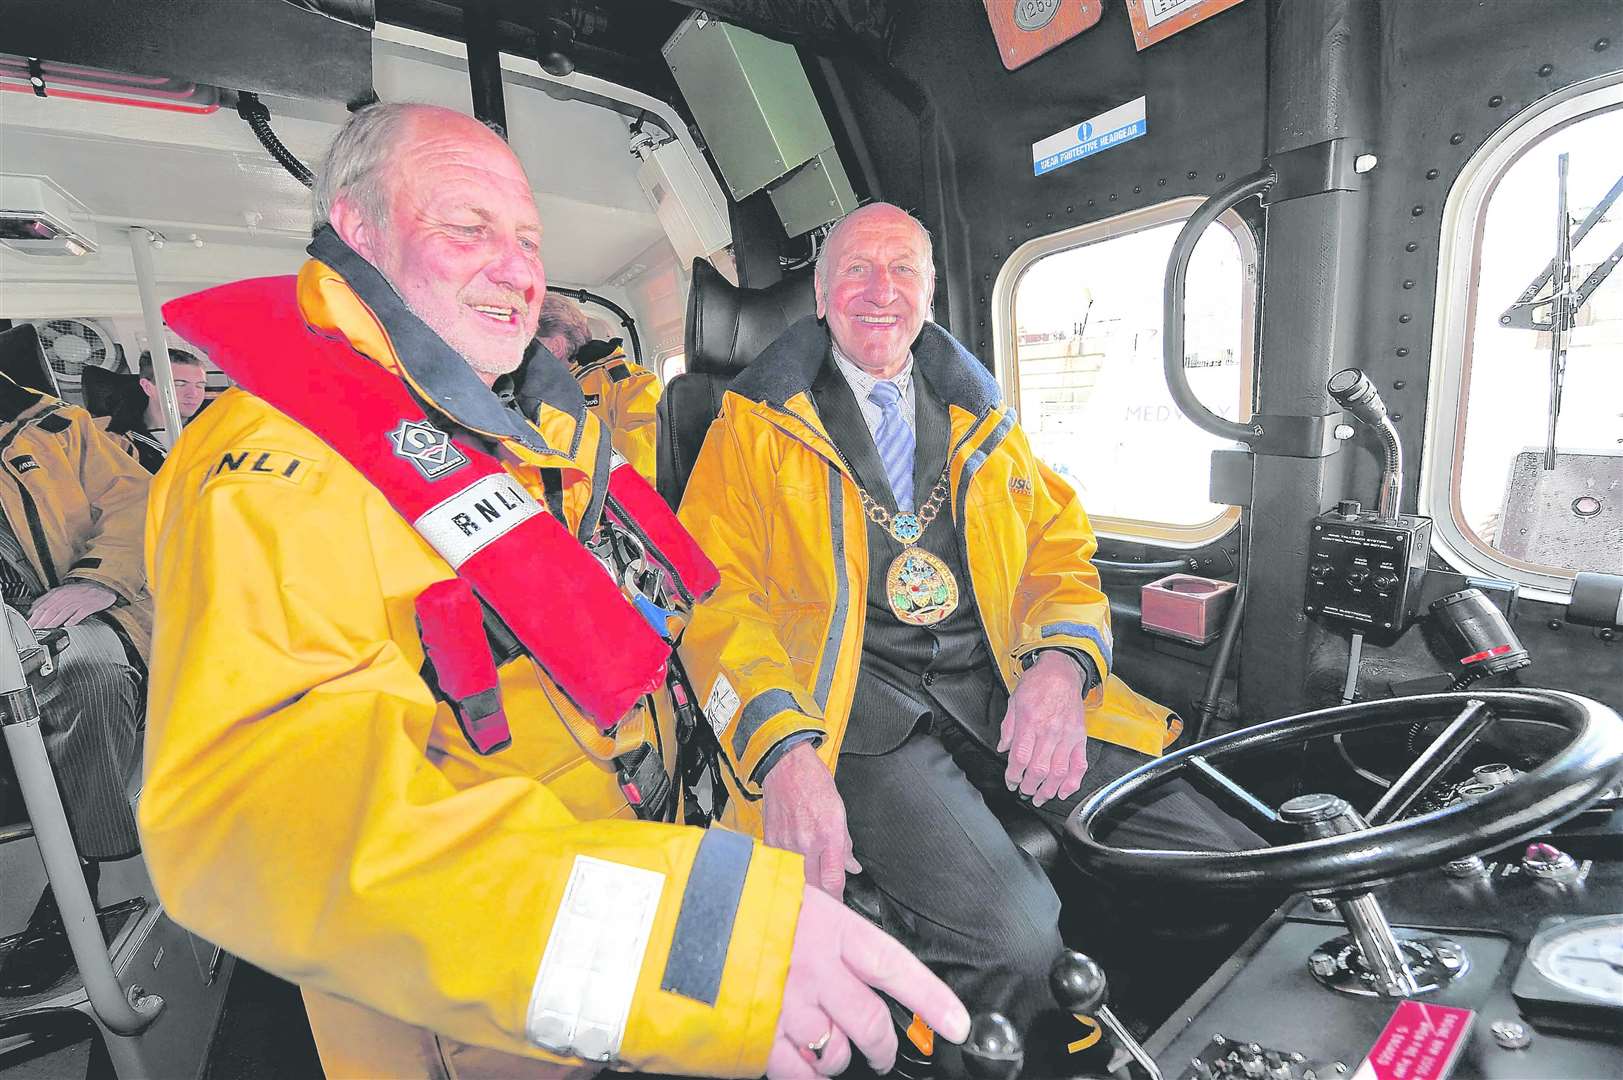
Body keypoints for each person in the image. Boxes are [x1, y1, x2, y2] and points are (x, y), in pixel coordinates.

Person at [141, 105, 966, 1080]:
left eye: (530, 239)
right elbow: (265, 807)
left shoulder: (546, 441)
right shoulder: (271, 466)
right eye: (467, 228)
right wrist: (683, 942)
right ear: (359, 232)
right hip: (504, 1021)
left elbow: (691, 610)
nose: (519, 268)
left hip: (668, 894)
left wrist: (780, 747)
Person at [678, 202, 1260, 1040]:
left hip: (1002, 683)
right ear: (819, 294)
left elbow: (1059, 556)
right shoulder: (751, 426)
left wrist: (1060, 669)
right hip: (855, 717)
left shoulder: (984, 421)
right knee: (1019, 948)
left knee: (1219, 858)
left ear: (930, 293)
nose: (881, 291)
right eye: (856, 270)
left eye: (903, 270)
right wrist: (784, 754)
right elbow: (714, 597)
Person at [0, 369, 151, 993]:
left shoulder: (62, 428)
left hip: (79, 602)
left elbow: (138, 504)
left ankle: (84, 877)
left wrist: (94, 581)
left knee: (87, 673)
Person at [533, 293, 661, 483]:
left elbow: (643, 468)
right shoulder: (545, 393)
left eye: (528, 345)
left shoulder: (632, 383)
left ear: (555, 346)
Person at [92, 349, 209, 474]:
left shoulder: (213, 432)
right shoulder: (113, 441)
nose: (193, 394)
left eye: (200, 386)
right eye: (179, 384)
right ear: (147, 387)